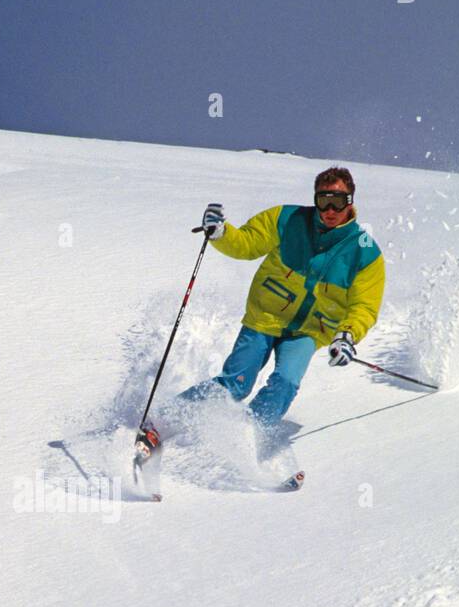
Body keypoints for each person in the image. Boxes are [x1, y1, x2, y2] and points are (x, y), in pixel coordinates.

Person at [139, 168, 385, 459]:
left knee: (286, 382)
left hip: (309, 331)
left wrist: (346, 335)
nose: (330, 210)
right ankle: (160, 423)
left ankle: (246, 435)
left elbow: (364, 306)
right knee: (236, 384)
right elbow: (246, 243)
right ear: (315, 199)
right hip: (265, 317)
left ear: (350, 201)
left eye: (338, 202)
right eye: (323, 201)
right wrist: (222, 233)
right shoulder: (287, 219)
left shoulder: (365, 251)